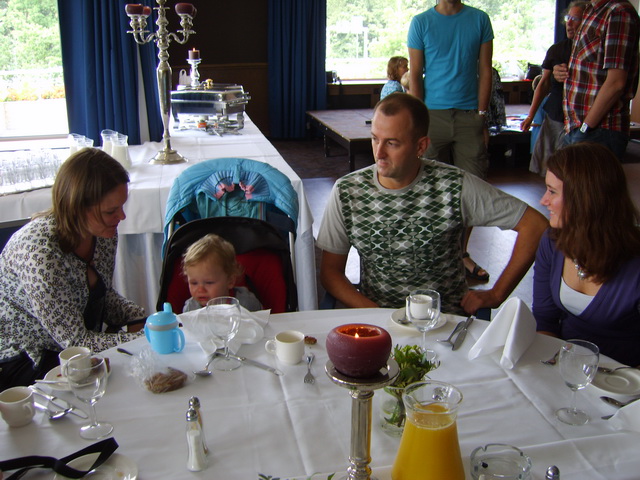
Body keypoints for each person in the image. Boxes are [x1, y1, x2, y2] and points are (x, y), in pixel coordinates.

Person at [317, 93, 548, 315]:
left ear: (421, 146)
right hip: (379, 324)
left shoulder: (454, 186)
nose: (379, 153)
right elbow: (330, 273)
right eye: (375, 138)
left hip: (444, 323)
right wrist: (378, 315)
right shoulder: (347, 191)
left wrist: (497, 294)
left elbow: (535, 225)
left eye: (392, 143)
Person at [0, 149, 146, 390]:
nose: (122, 216)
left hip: (71, 351)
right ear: (76, 207)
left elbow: (102, 294)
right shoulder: (39, 253)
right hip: (25, 361)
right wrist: (141, 339)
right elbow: (75, 342)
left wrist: (140, 316)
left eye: (122, 206)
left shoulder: (102, 233)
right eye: (111, 211)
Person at [408, 0, 494, 282]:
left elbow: (485, 69)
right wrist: (418, 120)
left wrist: (482, 115)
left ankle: (460, 253)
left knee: (473, 188)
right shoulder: (421, 23)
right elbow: (415, 74)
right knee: (427, 188)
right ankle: (430, 255)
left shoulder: (479, 19)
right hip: (432, 116)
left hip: (470, 116)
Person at [533, 143, 640, 365]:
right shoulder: (553, 241)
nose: (543, 200)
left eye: (552, 191)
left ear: (584, 197)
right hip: (566, 364)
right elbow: (545, 319)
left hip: (624, 375)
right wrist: (548, 366)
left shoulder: (634, 262)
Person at [553, 0, 639, 160]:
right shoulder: (591, 11)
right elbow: (590, 68)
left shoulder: (618, 12)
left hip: (599, 130)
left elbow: (616, 83)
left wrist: (586, 127)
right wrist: (561, 72)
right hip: (577, 127)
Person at [521, 1, 588, 175]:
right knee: (550, 169)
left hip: (582, 119)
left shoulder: (591, 51)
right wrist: (530, 116)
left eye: (575, 19)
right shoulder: (557, 50)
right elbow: (543, 83)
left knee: (574, 171)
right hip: (556, 116)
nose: (569, 23)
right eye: (568, 18)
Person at [181, 233, 262, 312]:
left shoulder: (246, 303)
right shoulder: (190, 308)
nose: (200, 290)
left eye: (209, 282)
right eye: (194, 283)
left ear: (230, 281)